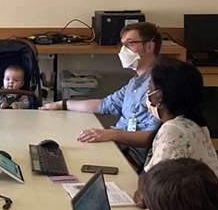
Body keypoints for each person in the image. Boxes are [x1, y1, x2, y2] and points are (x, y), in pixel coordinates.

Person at [40, 22, 162, 166]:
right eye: (122, 45)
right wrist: (63, 104)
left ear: (149, 47)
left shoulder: (158, 85)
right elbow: (104, 105)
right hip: (118, 146)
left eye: (130, 44)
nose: (123, 50)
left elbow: (151, 137)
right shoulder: (135, 82)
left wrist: (112, 134)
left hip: (132, 157)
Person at [134, 58, 218, 207]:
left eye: (149, 89)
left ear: (159, 96)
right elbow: (148, 174)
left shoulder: (173, 130)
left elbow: (155, 194)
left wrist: (143, 188)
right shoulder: (194, 124)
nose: (147, 95)